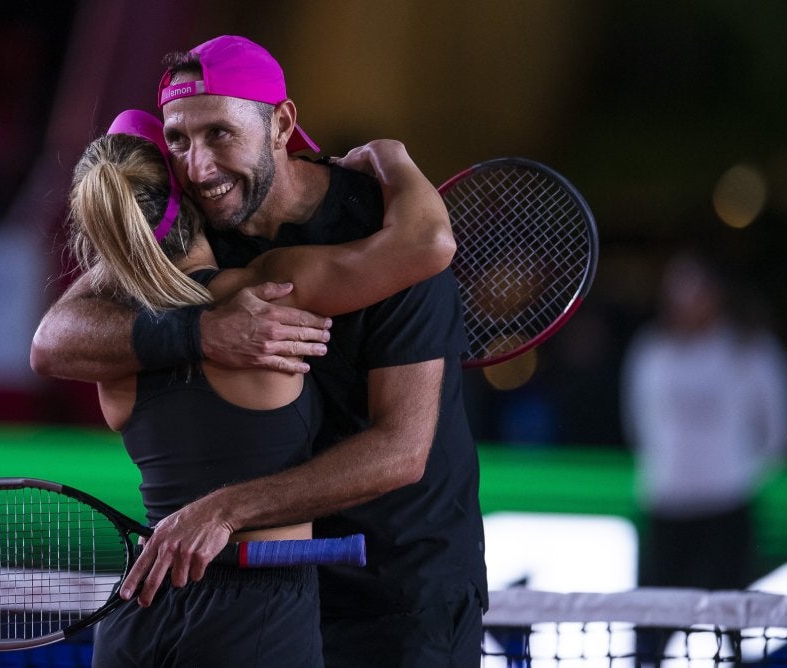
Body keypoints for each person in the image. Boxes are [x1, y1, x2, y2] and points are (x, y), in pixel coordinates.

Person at [31, 35, 489, 666]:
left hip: (402, 596)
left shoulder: (384, 234)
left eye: (220, 133)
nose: (198, 166)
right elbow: (55, 337)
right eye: (179, 139)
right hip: (269, 592)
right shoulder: (194, 216)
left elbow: (401, 452)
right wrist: (203, 331)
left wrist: (224, 509)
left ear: (281, 123)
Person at [621, 248, 787, 664]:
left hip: (726, 512)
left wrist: (739, 477)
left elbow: (776, 430)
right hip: (666, 509)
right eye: (676, 290)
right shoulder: (650, 351)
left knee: (731, 630)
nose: (684, 300)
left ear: (716, 293)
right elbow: (638, 423)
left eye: (695, 288)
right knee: (654, 630)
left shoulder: (752, 350)